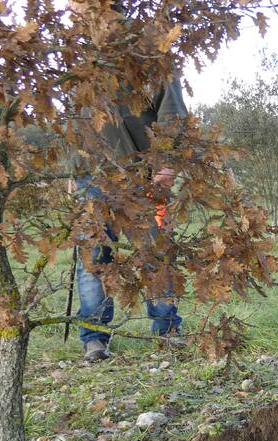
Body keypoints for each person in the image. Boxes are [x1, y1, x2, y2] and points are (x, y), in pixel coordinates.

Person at [72, 5, 186, 363]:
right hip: (93, 175)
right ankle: (95, 339)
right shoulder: (82, 62)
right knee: (93, 258)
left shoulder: (154, 58)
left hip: (144, 175)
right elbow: (75, 119)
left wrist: (166, 165)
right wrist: (73, 172)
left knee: (156, 254)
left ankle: (167, 331)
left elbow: (173, 114)